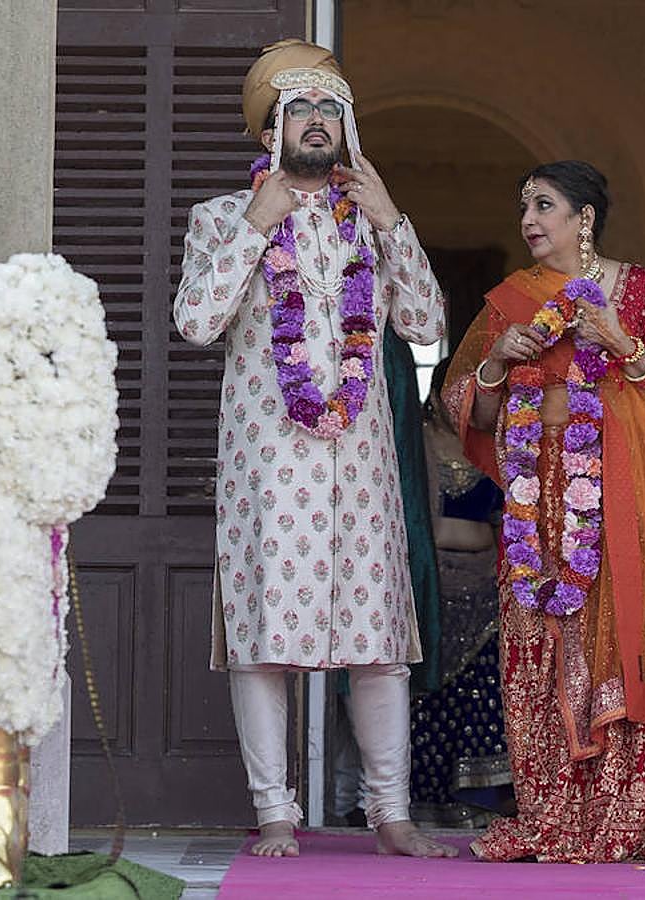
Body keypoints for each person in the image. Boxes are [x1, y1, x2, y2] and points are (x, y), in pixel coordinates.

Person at [172, 39, 453, 859]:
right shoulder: (224, 217)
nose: (319, 124)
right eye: (303, 111)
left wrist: (393, 223)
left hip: (360, 470)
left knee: (378, 646)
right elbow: (195, 322)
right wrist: (257, 227)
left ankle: (390, 813)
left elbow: (428, 326)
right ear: (273, 129)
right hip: (269, 462)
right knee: (263, 644)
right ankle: (275, 813)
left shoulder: (370, 223)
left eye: (332, 111)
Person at [442, 160, 645, 863]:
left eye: (543, 206)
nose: (528, 221)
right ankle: (557, 817)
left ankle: (636, 816)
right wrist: (493, 365)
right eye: (523, 207)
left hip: (614, 490)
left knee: (622, 639)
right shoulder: (513, 300)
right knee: (539, 647)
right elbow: (466, 408)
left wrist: (618, 339)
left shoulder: (632, 288)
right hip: (531, 500)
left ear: (585, 219)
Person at [410, 355, 512, 826]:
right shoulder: (415, 445)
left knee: (485, 691)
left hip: (486, 587)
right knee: (431, 696)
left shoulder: (493, 448)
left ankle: (483, 802)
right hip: (434, 586)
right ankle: (431, 804)